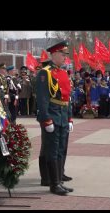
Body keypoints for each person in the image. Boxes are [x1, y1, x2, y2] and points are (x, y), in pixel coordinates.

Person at [36, 40, 73, 196]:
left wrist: (70, 118)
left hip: (62, 114)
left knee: (59, 149)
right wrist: (46, 119)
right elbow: (42, 98)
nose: (65, 57)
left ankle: (58, 180)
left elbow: (67, 97)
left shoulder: (63, 72)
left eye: (66, 54)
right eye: (63, 54)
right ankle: (53, 183)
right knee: (51, 150)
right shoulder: (46, 72)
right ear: (55, 54)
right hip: (52, 114)